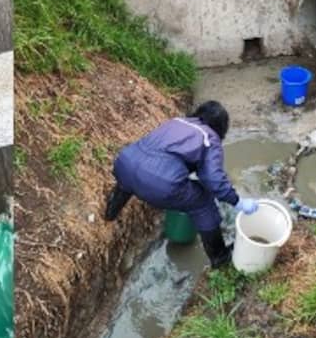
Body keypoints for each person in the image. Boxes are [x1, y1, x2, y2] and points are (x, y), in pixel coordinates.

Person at [103, 101, 258, 268]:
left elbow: (163, 155)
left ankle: (110, 212)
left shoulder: (176, 122)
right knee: (203, 201)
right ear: (221, 127)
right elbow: (213, 179)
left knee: (131, 178)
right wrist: (237, 201)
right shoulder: (210, 137)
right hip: (160, 183)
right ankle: (219, 256)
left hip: (125, 162)